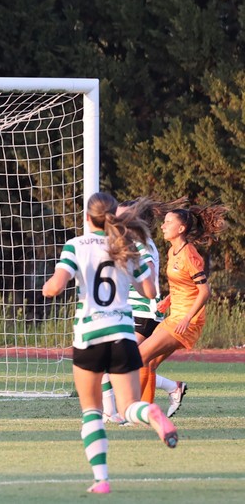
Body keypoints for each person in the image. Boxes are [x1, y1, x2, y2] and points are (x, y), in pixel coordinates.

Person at [42, 192, 177, 495]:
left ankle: (102, 479)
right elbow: (148, 291)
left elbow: (55, 287)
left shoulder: (75, 246)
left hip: (89, 337)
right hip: (122, 334)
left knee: (91, 412)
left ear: (87, 218)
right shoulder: (125, 246)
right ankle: (151, 412)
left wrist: (48, 287)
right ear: (115, 216)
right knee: (129, 406)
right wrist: (149, 268)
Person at [102, 198, 188, 422]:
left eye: (121, 216)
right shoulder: (128, 242)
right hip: (131, 312)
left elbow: (148, 275)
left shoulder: (142, 244)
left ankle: (114, 412)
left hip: (144, 313)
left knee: (120, 360)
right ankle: (173, 387)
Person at [137, 203, 228, 412]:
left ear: (181, 229)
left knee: (140, 356)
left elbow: (205, 291)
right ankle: (146, 413)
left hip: (187, 321)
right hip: (174, 316)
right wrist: (168, 301)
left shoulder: (190, 254)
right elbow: (184, 284)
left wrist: (187, 318)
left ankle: (136, 411)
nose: (163, 226)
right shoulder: (172, 252)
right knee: (148, 363)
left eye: (168, 222)